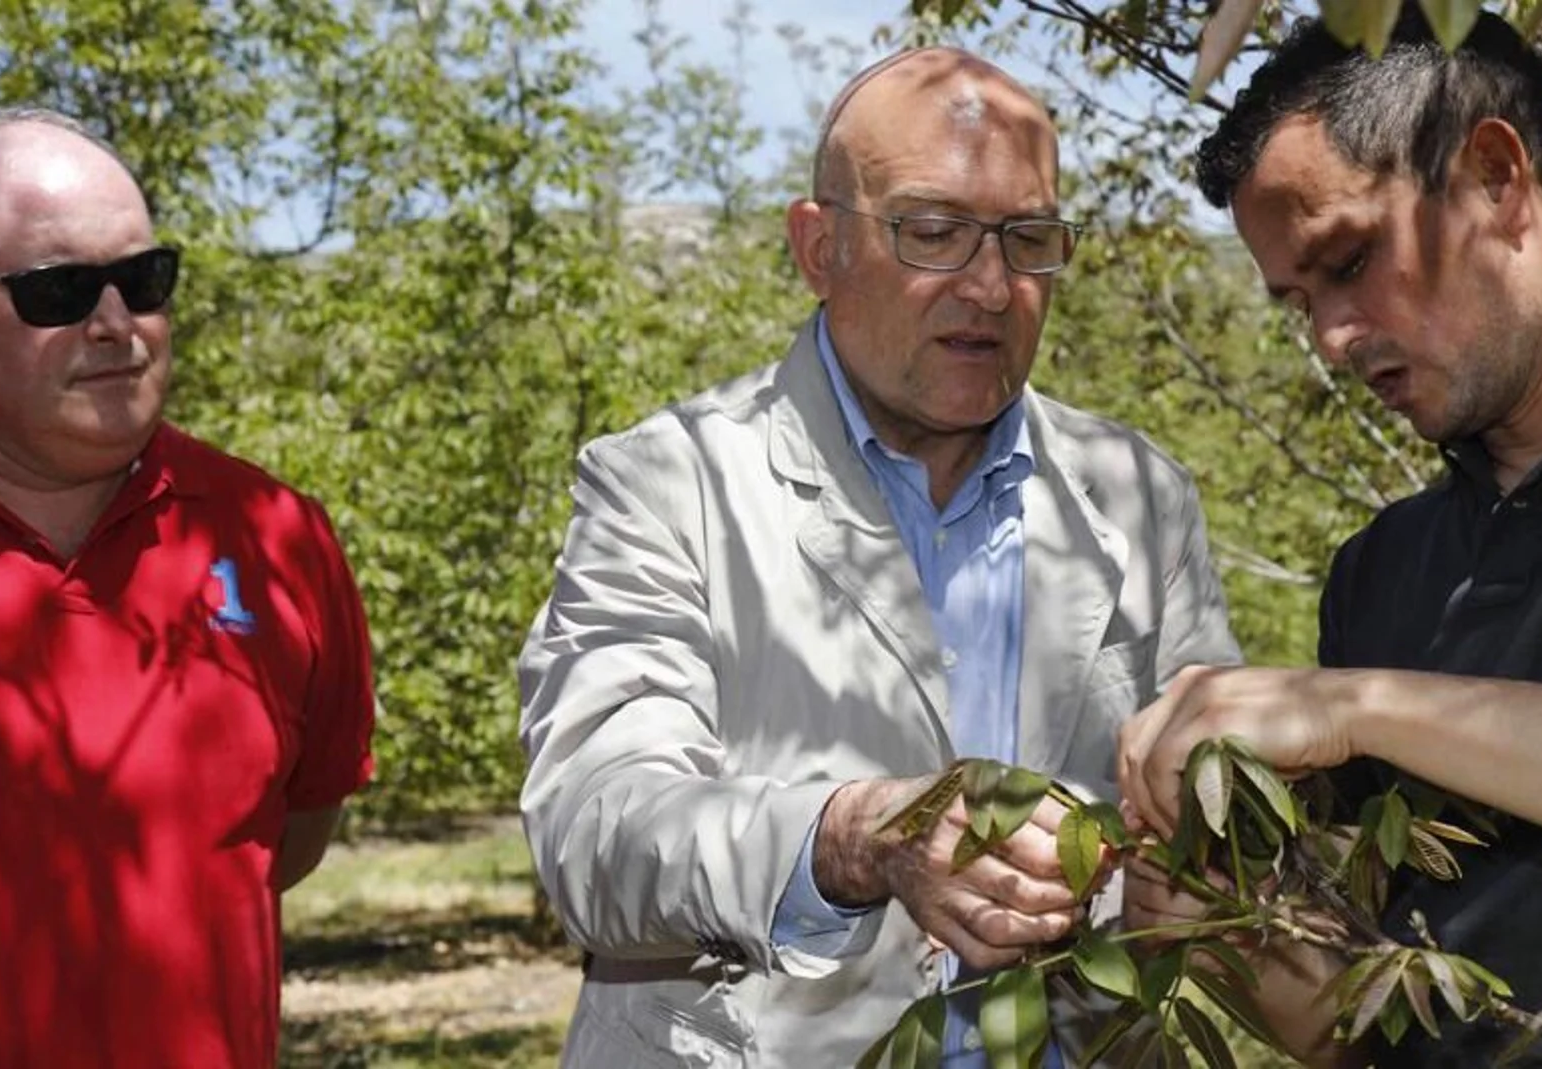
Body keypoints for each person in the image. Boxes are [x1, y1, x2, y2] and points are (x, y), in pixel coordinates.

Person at [1115, 6, 1542, 1067]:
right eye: (1298, 303)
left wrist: (1361, 707)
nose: (1331, 340)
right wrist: (1205, 915)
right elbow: (1353, 1017)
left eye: (1346, 261)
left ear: (1497, 176)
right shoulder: (1381, 571)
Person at [517, 47, 1241, 1067]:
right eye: (934, 232)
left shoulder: (1138, 494)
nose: (991, 286)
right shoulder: (667, 482)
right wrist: (854, 834)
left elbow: (1211, 825)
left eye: (1027, 239)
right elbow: (596, 835)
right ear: (819, 248)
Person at [0, 107, 376, 1069]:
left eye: (143, 279)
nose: (116, 323)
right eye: (62, 290)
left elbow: (280, 842)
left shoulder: (278, 537)